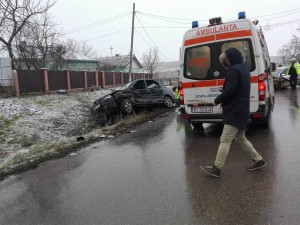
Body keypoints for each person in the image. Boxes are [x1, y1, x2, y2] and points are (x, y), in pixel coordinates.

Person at [201, 48, 266, 178]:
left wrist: (217, 100)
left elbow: (230, 91)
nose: (224, 62)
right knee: (241, 138)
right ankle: (259, 160)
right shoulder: (243, 69)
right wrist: (226, 90)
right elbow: (235, 89)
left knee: (225, 139)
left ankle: (216, 169)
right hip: (241, 109)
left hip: (235, 111)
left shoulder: (234, 70)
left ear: (231, 58)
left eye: (225, 60)